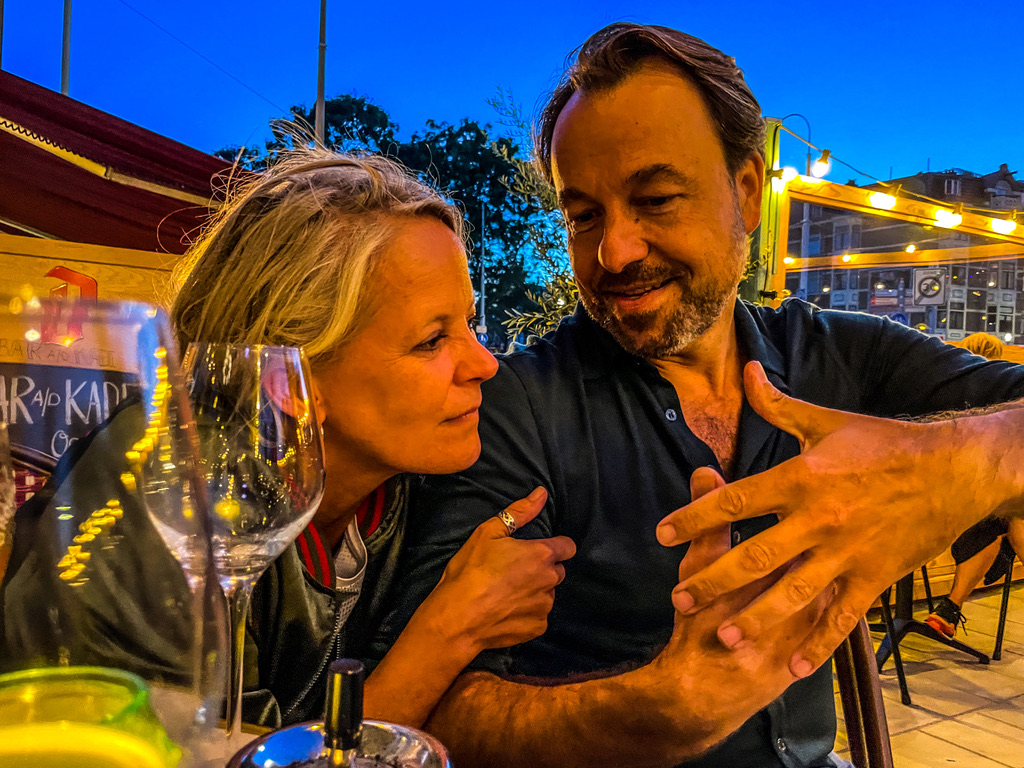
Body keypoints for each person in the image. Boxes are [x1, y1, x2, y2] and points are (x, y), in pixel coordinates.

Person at [370, 22, 1024, 768]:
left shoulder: (843, 354)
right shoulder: (517, 406)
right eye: (583, 216)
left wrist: (955, 466)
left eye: (655, 199)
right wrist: (657, 713)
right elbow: (432, 716)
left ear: (746, 193)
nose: (614, 251)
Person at [2, 150, 576, 730]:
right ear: (289, 381)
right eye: (431, 341)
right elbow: (214, 752)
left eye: (470, 324)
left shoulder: (405, 487)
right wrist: (450, 630)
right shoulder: (166, 498)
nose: (485, 364)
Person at [924, 333, 1023, 637]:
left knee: (1006, 515)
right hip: (963, 497)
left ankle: (950, 610)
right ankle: (950, 608)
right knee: (1009, 516)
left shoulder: (950, 389)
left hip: (960, 493)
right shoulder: (1004, 393)